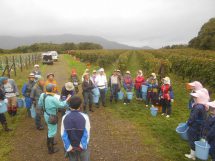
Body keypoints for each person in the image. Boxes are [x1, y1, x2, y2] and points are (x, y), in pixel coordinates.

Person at [38, 84, 71, 154]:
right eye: (54, 88)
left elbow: (40, 104)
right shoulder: (53, 98)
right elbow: (62, 105)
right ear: (52, 90)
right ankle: (50, 149)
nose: (55, 89)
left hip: (46, 114)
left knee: (50, 129)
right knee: (52, 132)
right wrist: (67, 99)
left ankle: (51, 142)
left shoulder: (42, 95)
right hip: (52, 116)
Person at [61, 96, 90, 161]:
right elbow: (87, 132)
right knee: (84, 158)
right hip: (82, 145)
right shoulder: (85, 117)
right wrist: (82, 145)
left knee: (73, 159)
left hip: (71, 145)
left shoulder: (64, 117)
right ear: (80, 106)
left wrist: (68, 147)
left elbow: (63, 134)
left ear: (69, 105)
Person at [185, 89, 208, 160]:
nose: (194, 99)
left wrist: (188, 123)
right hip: (200, 126)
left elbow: (193, 117)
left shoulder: (197, 107)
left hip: (194, 126)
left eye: (195, 98)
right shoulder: (203, 106)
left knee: (192, 139)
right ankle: (197, 153)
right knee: (197, 138)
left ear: (200, 99)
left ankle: (192, 155)